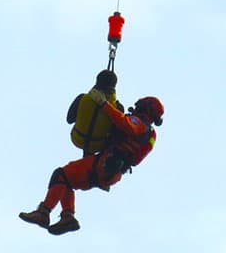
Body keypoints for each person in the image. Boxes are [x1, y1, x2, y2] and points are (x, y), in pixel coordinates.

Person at [19, 94, 164, 235]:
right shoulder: (149, 133)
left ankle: (44, 212)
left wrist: (103, 103)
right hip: (111, 169)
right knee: (66, 180)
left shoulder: (139, 123)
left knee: (61, 174)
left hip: (106, 163)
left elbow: (126, 124)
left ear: (146, 109)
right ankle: (67, 217)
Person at [68, 69, 125, 155]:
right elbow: (115, 134)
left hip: (77, 139)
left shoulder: (82, 98)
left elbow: (69, 119)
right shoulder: (117, 108)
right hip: (98, 145)